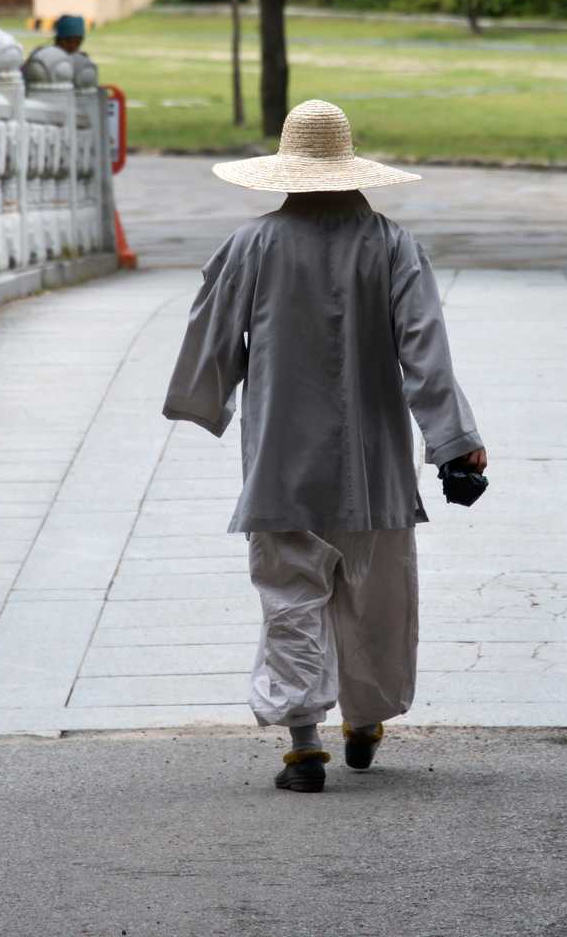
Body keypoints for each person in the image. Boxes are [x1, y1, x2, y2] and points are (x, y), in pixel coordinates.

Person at [163, 99, 487, 794]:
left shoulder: (252, 245)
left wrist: (204, 396)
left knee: (290, 594)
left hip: (281, 458)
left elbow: (211, 336)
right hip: (373, 463)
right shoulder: (393, 245)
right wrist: (455, 442)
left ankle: (304, 743)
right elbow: (425, 351)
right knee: (375, 595)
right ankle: (364, 720)